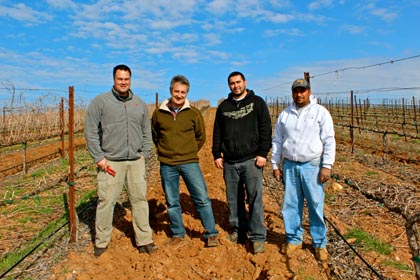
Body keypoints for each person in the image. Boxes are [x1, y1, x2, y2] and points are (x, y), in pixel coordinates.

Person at [84, 64, 157, 257]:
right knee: (106, 200)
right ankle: (101, 242)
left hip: (135, 161)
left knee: (139, 200)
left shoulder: (139, 103)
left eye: (126, 79)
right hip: (110, 162)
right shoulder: (100, 102)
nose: (123, 82)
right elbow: (90, 131)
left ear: (130, 80)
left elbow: (146, 131)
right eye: (120, 79)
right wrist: (99, 157)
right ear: (114, 80)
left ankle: (144, 239)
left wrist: (144, 153)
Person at [271, 78, 336, 262]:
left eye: (303, 91)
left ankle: (319, 243)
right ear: (292, 93)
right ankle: (293, 239)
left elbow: (329, 140)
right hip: (290, 166)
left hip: (312, 166)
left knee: (315, 205)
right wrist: (275, 165)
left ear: (309, 91)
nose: (299, 94)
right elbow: (277, 141)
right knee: (291, 205)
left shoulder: (320, 112)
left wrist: (327, 165)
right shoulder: (285, 114)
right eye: (296, 91)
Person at [151, 75, 219, 248]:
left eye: (183, 92)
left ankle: (211, 233)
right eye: (176, 91)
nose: (179, 95)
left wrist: (188, 151)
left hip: (189, 162)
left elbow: (200, 137)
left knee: (201, 198)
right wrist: (166, 151)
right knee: (172, 201)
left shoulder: (194, 113)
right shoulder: (158, 114)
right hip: (167, 164)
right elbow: (155, 136)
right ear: (170, 91)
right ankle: (178, 234)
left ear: (187, 93)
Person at [212, 71, 272, 254]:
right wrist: (216, 154)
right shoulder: (224, 107)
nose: (236, 86)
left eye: (238, 82)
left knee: (254, 199)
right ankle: (239, 231)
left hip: (251, 160)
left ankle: (257, 237)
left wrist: (263, 153)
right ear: (229, 85)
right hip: (230, 162)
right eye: (232, 83)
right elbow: (217, 132)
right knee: (233, 199)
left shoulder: (257, 103)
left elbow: (266, 129)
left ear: (245, 82)